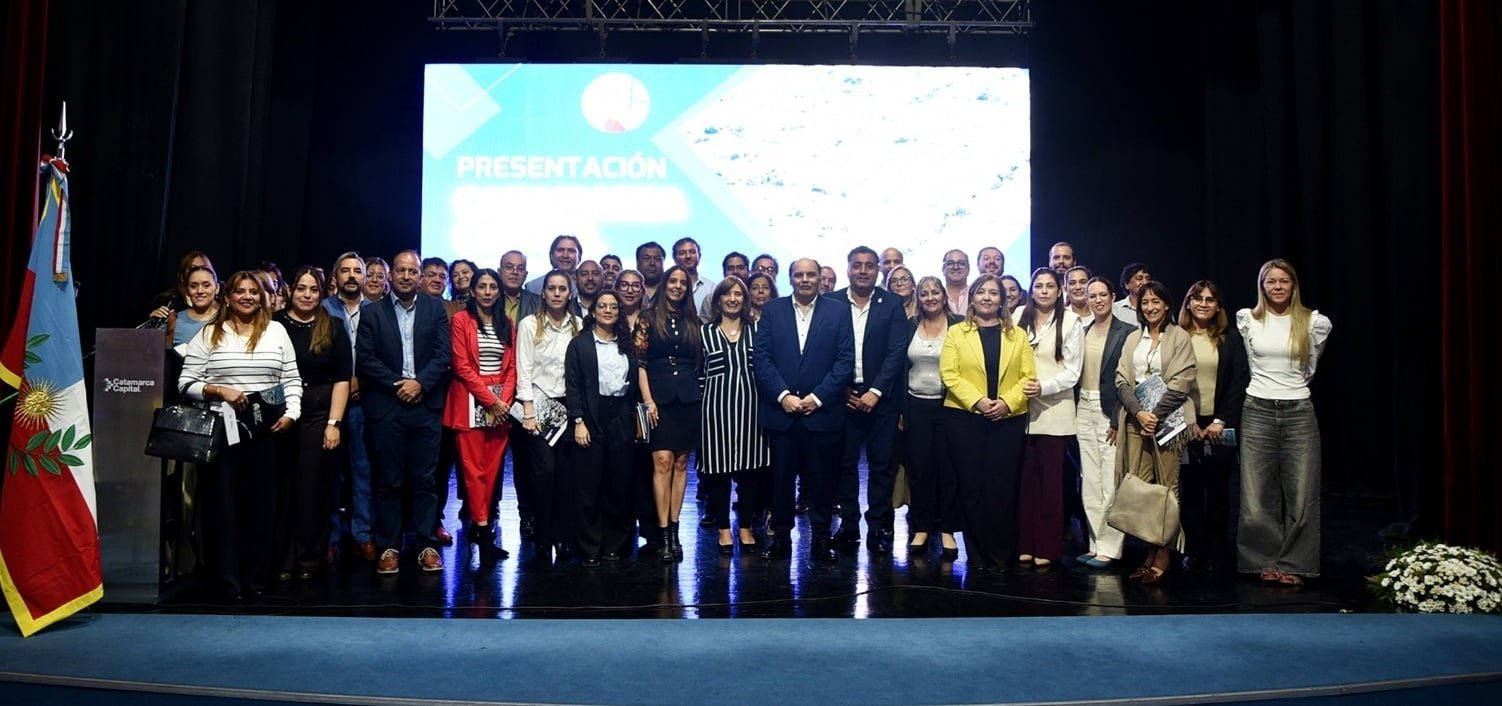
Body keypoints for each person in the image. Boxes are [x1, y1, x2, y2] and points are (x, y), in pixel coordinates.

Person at [178, 271, 302, 600]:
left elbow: (291, 379)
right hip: (223, 431)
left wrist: (291, 414)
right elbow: (186, 383)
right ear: (228, 297)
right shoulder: (209, 333)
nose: (247, 296)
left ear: (262, 297)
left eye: (253, 291)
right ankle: (227, 581)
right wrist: (220, 390)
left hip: (266, 432)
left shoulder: (276, 331)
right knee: (223, 508)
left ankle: (255, 579)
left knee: (260, 508)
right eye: (240, 291)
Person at [1236, 259, 1332, 587]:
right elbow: (1251, 364)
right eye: (1271, 281)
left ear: (1293, 286)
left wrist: (1289, 390)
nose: (1277, 287)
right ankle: (1263, 560)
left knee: (1302, 491)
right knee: (1256, 493)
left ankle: (1295, 563)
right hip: (1257, 409)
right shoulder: (1248, 319)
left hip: (1298, 410)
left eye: (1283, 281)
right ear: (1262, 286)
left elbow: (1310, 368)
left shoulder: (1314, 322)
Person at [357, 250, 452, 575]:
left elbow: (443, 354)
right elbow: (366, 359)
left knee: (425, 480)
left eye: (413, 271)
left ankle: (426, 544)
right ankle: (389, 546)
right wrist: (400, 385)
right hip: (389, 406)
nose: (407, 276)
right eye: (401, 270)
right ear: (391, 275)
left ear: (420, 276)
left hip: (425, 406)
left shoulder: (435, 308)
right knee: (389, 481)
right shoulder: (372, 313)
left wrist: (420, 384)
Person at [752, 258, 855, 561]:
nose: (805, 280)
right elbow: (762, 358)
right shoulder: (773, 310)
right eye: (799, 275)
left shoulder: (838, 311)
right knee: (781, 482)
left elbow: (845, 360)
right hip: (782, 413)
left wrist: (818, 397)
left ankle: (821, 539)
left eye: (811, 275)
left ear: (820, 278)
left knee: (822, 482)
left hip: (822, 413)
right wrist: (783, 395)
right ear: (790, 278)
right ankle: (781, 538)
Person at [939, 274, 1035, 572]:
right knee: (972, 486)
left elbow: (1028, 377)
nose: (987, 298)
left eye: (993, 293)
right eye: (981, 292)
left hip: (1008, 419)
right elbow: (949, 373)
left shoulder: (1018, 335)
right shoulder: (956, 333)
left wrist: (1006, 402)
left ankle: (1002, 554)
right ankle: (978, 555)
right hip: (964, 418)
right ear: (972, 298)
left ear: (1002, 300)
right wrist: (979, 401)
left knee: (1002, 486)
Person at [1113, 281, 1195, 585]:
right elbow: (1122, 379)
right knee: (1142, 488)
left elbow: (1182, 381)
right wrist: (1139, 413)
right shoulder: (1134, 338)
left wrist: (1155, 416)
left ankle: (1164, 553)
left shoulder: (1179, 337)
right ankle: (1149, 551)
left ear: (1167, 304)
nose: (1150, 307)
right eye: (1145, 302)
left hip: (1168, 423)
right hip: (1136, 422)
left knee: (1166, 488)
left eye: (1156, 302)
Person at [833, 246, 912, 554]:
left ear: (878, 270)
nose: (863, 271)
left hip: (883, 398)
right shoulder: (832, 302)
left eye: (869, 265)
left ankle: (879, 526)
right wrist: (841, 388)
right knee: (844, 464)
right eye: (857, 265)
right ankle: (849, 525)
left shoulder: (891, 303)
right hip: (844, 397)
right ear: (848, 268)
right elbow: (825, 349)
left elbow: (897, 351)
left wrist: (876, 391)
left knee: (882, 465)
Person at [273, 267, 350, 581]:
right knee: (281, 489)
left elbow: (342, 379)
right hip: (279, 413)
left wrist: (334, 423)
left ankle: (309, 559)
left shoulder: (333, 326)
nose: (307, 295)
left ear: (322, 293)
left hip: (319, 414)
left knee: (312, 490)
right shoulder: (274, 324)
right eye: (301, 288)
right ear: (291, 290)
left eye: (313, 290)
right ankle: (281, 560)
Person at [443, 268, 517, 566]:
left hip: (500, 405)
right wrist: (490, 400)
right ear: (472, 291)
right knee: (474, 472)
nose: (487, 292)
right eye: (482, 286)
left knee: (493, 470)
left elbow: (512, 367)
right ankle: (483, 531)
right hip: (470, 402)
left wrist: (503, 402)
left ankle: (482, 526)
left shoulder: (507, 323)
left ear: (499, 292)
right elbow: (461, 366)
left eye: (492, 287)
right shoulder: (461, 320)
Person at [1179, 280, 1249, 573]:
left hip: (1219, 424)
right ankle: (1193, 550)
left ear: (1218, 306)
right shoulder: (1178, 336)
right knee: (1191, 492)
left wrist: (1221, 421)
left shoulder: (1230, 338)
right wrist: (1189, 421)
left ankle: (1217, 551)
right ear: (1189, 303)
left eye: (1210, 300)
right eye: (1198, 299)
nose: (1203, 304)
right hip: (1186, 423)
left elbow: (1238, 382)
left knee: (1219, 491)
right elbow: (1172, 382)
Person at [1014, 268, 1083, 567]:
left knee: (1050, 483)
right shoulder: (1018, 316)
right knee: (1024, 482)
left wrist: (1043, 386)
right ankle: (1024, 543)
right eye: (1038, 286)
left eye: (1050, 286)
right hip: (1020, 410)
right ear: (1031, 290)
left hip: (1055, 411)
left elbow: (1073, 371)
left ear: (1059, 291)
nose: (1044, 291)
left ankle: (1047, 546)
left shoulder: (1071, 321)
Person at [565, 291, 639, 567]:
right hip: (590, 416)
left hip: (621, 415)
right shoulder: (579, 344)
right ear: (593, 311)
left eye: (613, 307)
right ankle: (589, 546)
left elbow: (634, 383)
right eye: (602, 306)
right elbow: (573, 385)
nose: (608, 310)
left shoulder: (627, 344)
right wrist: (578, 421)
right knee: (588, 485)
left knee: (619, 483)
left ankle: (615, 545)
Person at [698, 277, 771, 554]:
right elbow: (699, 375)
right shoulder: (704, 333)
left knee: (750, 473)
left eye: (738, 294)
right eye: (727, 294)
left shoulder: (757, 331)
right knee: (718, 473)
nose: (732, 299)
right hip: (714, 413)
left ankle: (745, 527)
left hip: (751, 411)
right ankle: (723, 530)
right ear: (718, 299)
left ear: (745, 299)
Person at [636, 265, 703, 562]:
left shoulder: (694, 321)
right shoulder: (648, 317)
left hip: (688, 399)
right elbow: (640, 363)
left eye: (682, 283)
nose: (677, 286)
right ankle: (662, 533)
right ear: (664, 285)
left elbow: (699, 363)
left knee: (681, 463)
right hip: (658, 398)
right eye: (672, 281)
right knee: (662, 461)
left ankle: (675, 531)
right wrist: (648, 401)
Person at [516, 270, 583, 561]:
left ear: (570, 293)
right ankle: (543, 538)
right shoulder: (530, 324)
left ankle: (563, 536)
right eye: (551, 288)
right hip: (539, 406)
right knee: (544, 473)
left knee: (567, 476)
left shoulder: (579, 325)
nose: (557, 293)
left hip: (569, 407)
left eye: (562, 289)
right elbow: (523, 369)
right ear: (543, 293)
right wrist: (528, 411)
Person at [1074, 277, 1135, 570]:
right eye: (1092, 295)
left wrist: (1118, 417)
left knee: (1110, 481)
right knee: (1090, 481)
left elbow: (1129, 380)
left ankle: (1110, 548)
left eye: (1102, 295)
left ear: (1112, 297)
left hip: (1109, 410)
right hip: (1082, 407)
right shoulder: (1082, 331)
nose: (1097, 300)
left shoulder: (1127, 332)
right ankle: (1095, 543)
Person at [904, 275, 963, 558]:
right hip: (916, 406)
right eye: (924, 293)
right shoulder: (910, 326)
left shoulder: (960, 325)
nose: (930, 298)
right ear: (918, 298)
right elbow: (901, 368)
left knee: (949, 469)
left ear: (943, 295)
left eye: (935, 292)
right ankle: (922, 527)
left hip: (950, 405)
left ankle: (948, 529)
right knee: (920, 469)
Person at [325, 252, 375, 562]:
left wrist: (362, 381)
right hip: (329, 401)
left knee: (363, 470)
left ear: (365, 276)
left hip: (365, 402)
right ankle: (330, 537)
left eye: (358, 270)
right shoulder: (323, 309)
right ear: (336, 277)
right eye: (345, 270)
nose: (352, 276)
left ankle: (363, 534)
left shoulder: (376, 310)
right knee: (330, 474)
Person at [500, 249, 543, 540]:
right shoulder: (488, 298)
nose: (514, 272)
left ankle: (530, 514)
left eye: (519, 268)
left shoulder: (538, 303)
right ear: (500, 270)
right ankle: (484, 515)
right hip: (492, 390)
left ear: (526, 274)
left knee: (528, 459)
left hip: (528, 392)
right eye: (509, 267)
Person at [156, 264, 220, 348]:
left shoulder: (227, 320)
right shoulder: (173, 321)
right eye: (193, 286)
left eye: (206, 285)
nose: (200, 291)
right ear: (187, 290)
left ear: (217, 288)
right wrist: (152, 323)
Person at [672, 237, 718, 317]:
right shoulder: (667, 287)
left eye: (692, 252)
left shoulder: (711, 288)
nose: (688, 256)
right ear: (675, 258)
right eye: (682, 253)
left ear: (699, 256)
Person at [636, 241, 667, 306]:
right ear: (637, 263)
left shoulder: (672, 290)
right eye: (646, 258)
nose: (652, 263)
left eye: (657, 259)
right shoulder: (627, 291)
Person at [941, 249, 971, 316]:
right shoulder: (935, 296)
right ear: (943, 269)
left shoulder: (976, 294)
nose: (956, 267)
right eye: (950, 263)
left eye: (961, 263)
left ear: (968, 269)